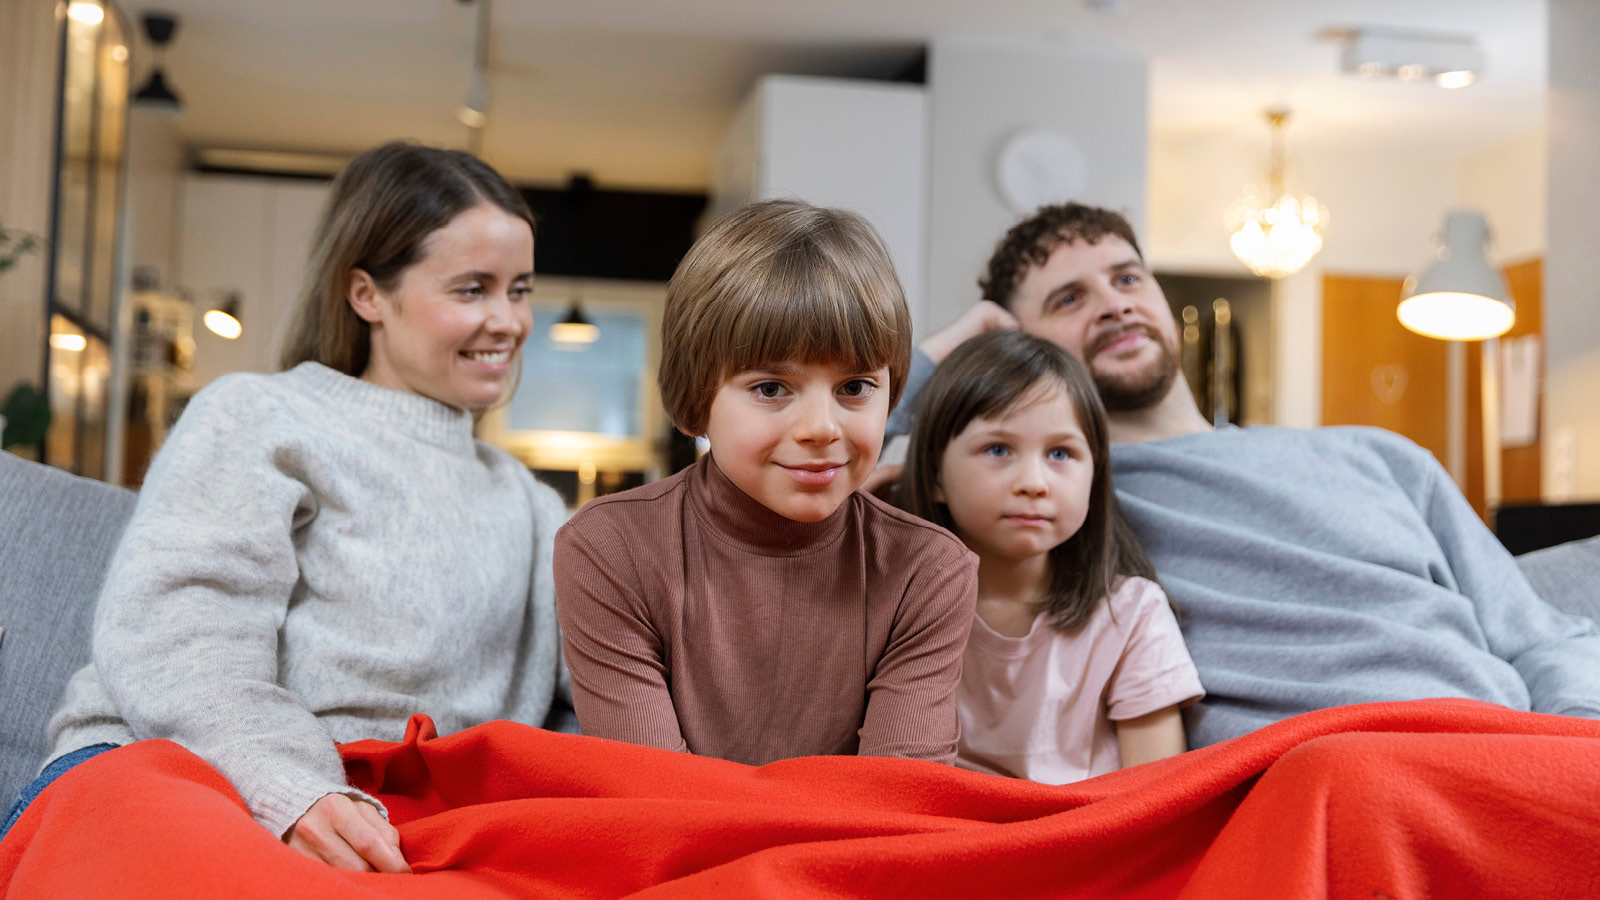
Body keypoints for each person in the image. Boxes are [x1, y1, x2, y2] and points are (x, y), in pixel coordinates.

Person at [12, 142, 571, 873]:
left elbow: (620, 666)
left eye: (520, 289)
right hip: (174, 766)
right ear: (367, 294)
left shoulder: (530, 506)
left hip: (385, 817)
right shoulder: (263, 416)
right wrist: (293, 790)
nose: (508, 321)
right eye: (472, 290)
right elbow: (179, 626)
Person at [893, 201, 1600, 748]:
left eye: (1128, 278)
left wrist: (1574, 736)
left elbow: (1541, 636)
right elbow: (839, 457)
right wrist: (954, 349)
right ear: (1018, 344)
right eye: (1068, 299)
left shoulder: (1377, 456)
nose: (1114, 302)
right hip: (1324, 771)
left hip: (1506, 739)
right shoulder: (1054, 499)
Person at [553, 199, 977, 766]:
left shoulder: (927, 569)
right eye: (771, 389)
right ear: (695, 399)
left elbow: (896, 806)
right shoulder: (610, 546)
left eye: (854, 387)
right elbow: (655, 796)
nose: (822, 429)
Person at [899, 329, 1202, 782]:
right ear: (936, 475)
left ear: (1094, 477)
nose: (1034, 482)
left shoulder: (1132, 613)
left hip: (1087, 840)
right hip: (946, 835)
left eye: (1061, 453)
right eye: (998, 449)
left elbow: (1156, 796)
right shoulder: (896, 602)